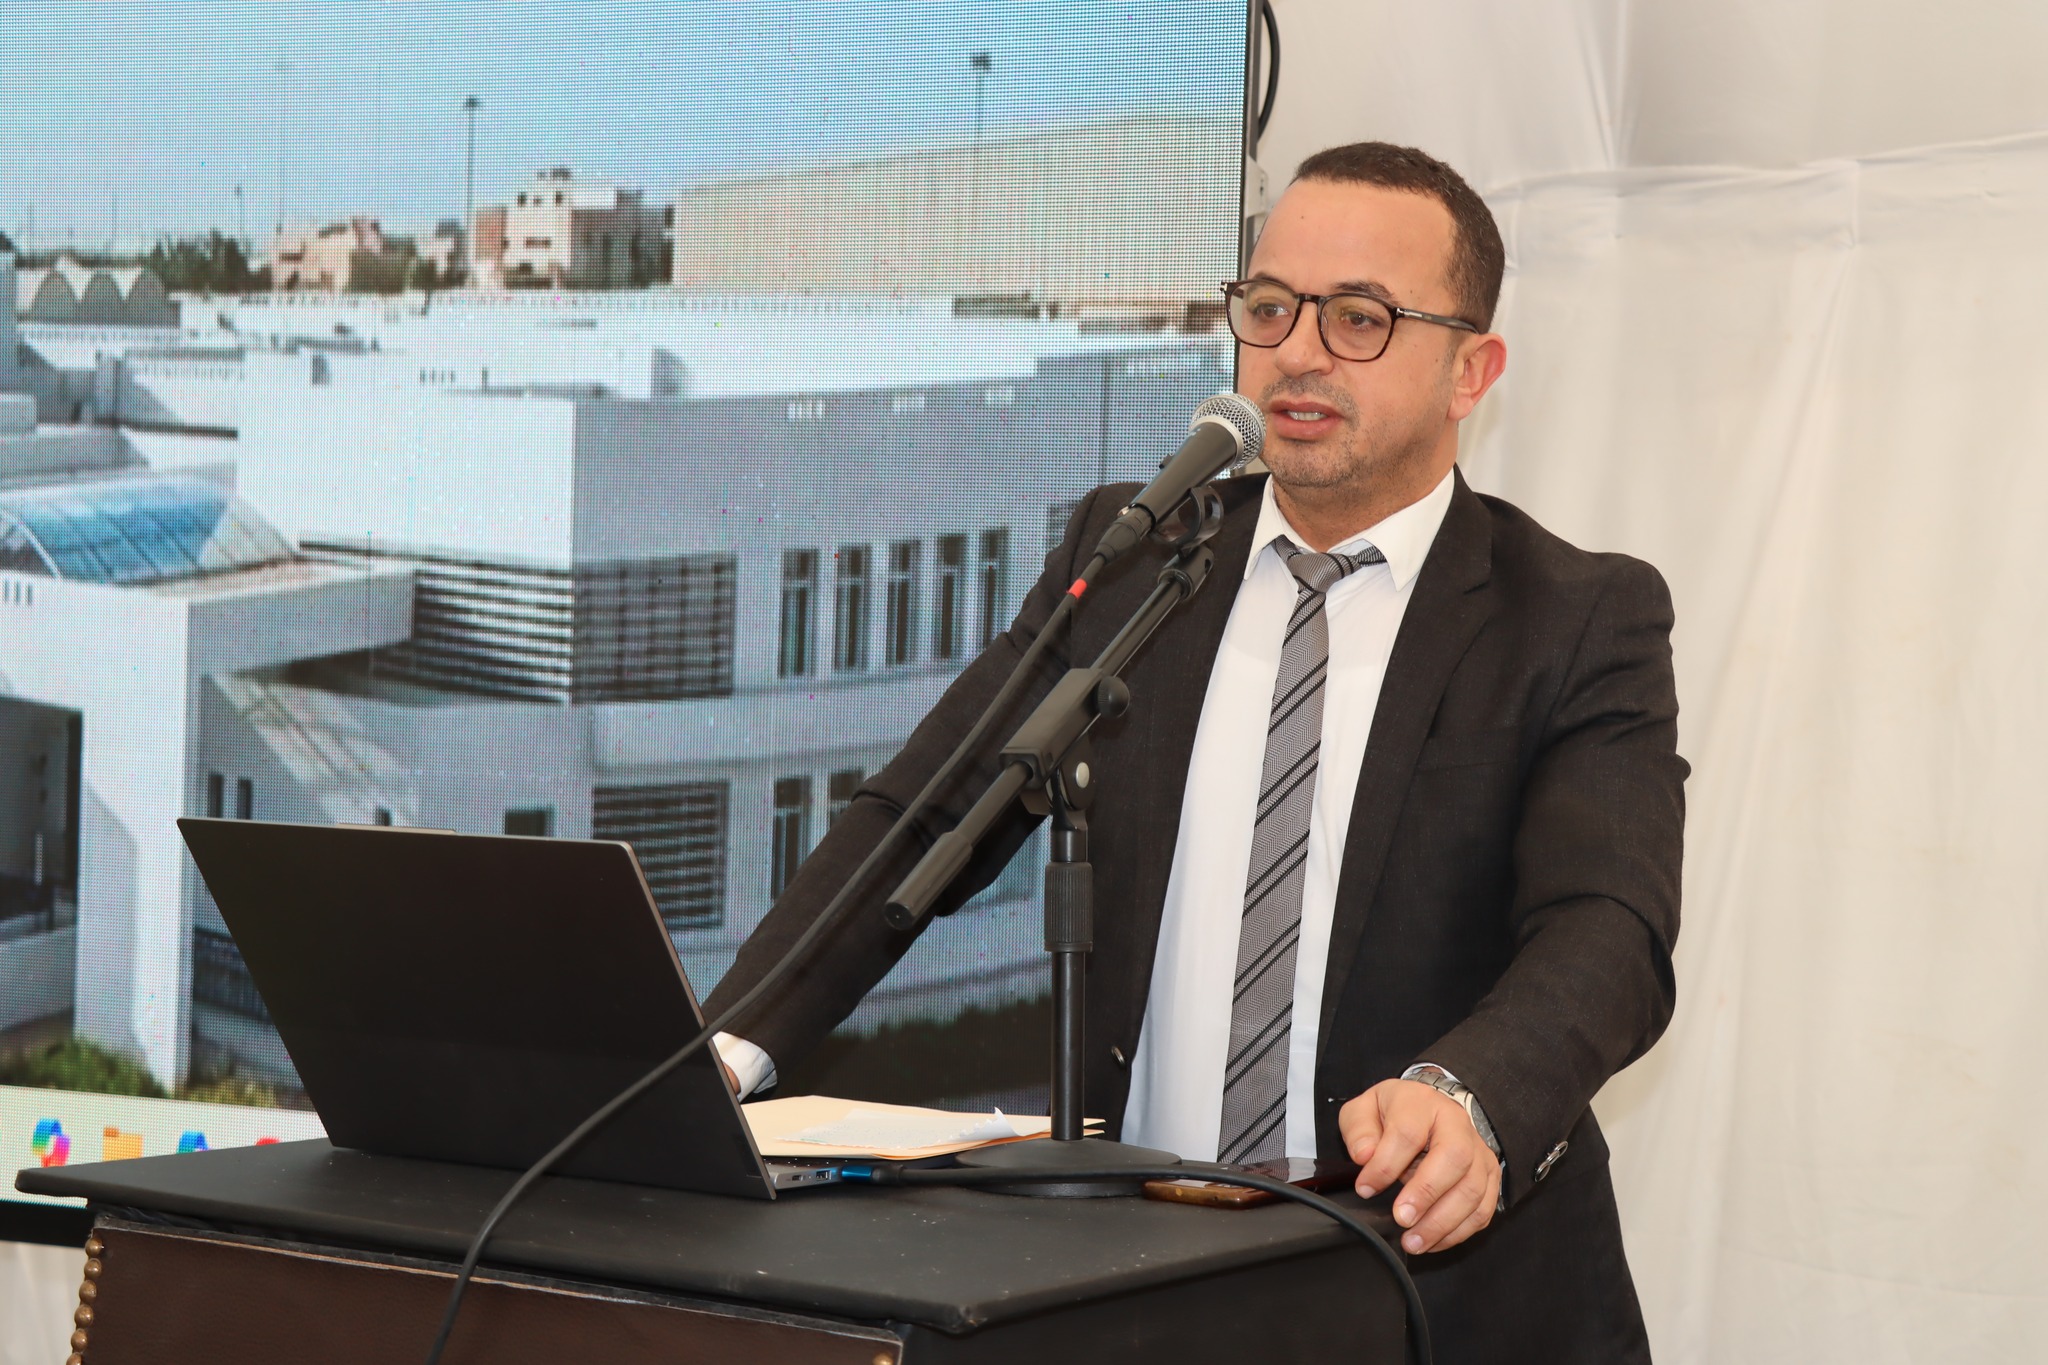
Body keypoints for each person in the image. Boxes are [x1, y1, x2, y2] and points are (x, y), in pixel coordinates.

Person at [707, 142, 1685, 1363]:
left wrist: (1470, 1098)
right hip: (1137, 1285)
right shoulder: (1136, 561)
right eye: (1269, 306)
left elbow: (1608, 926)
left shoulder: (1572, 614)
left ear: (1469, 369)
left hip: (1432, 1298)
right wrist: (720, 1055)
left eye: (1361, 317)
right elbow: (922, 815)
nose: (1299, 350)